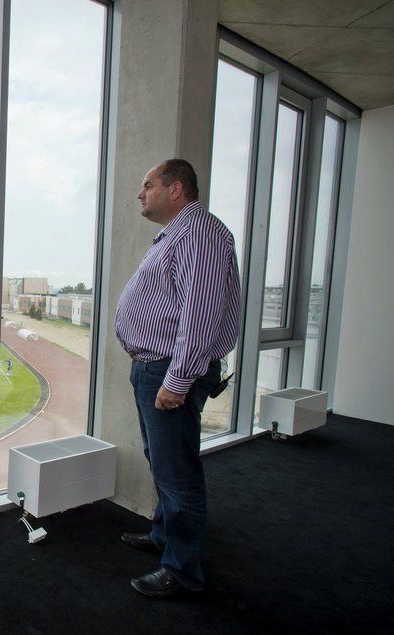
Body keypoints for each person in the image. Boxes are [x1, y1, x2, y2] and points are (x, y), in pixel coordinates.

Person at [114, 159, 240, 598]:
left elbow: (200, 315)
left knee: (178, 471)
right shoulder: (177, 235)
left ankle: (182, 571)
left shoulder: (200, 234)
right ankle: (163, 536)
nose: (140, 193)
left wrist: (178, 379)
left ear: (176, 190)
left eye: (147, 185)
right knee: (162, 461)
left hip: (169, 369)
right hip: (154, 366)